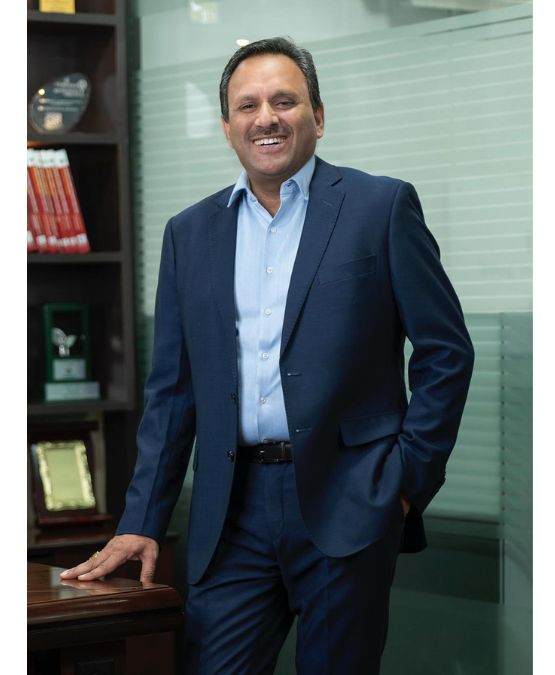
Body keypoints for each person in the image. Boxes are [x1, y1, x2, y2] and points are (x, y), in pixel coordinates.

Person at [61, 36, 474, 674]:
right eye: (247, 105)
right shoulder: (189, 233)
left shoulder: (380, 207)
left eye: (285, 101)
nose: (267, 118)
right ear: (227, 127)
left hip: (348, 498)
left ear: (318, 116)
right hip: (230, 511)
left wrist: (402, 483)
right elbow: (172, 393)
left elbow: (446, 351)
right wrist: (141, 520)